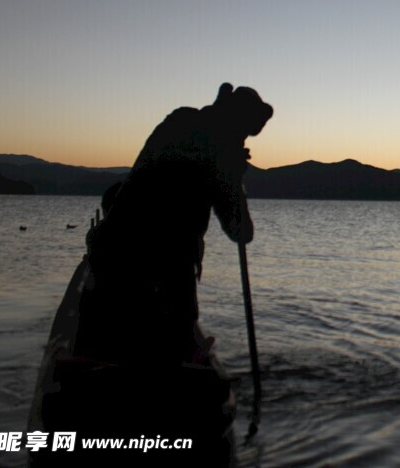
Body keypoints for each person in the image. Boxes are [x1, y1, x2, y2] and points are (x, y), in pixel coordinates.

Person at [77, 83, 273, 364]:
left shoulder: (180, 120)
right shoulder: (218, 152)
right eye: (244, 133)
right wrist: (233, 173)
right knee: (168, 352)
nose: (244, 140)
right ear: (237, 125)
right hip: (159, 276)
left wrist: (230, 166)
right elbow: (241, 231)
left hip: (110, 256)